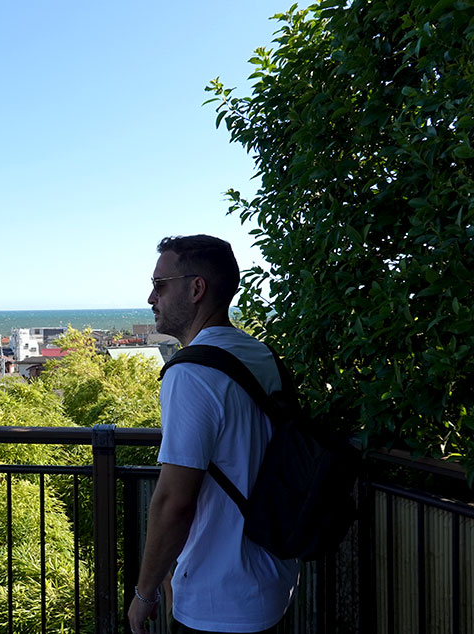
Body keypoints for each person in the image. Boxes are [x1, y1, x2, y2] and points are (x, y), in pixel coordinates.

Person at [127, 235, 299, 634]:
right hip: (272, 577)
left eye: (160, 285)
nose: (151, 298)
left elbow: (174, 501)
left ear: (196, 288)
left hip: (218, 599)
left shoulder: (190, 374)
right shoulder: (259, 354)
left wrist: (145, 592)